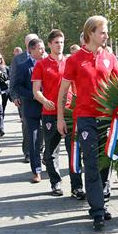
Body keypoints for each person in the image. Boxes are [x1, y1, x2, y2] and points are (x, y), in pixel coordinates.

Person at [57, 16, 118, 230]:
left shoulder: (110, 58)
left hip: (106, 118)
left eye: (106, 31)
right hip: (85, 118)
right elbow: (63, 91)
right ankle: (97, 211)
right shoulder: (75, 60)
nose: (106, 35)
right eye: (102, 32)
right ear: (90, 33)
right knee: (91, 163)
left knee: (105, 162)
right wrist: (59, 117)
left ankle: (101, 201)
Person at [32, 29, 84, 197]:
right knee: (51, 151)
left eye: (61, 42)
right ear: (49, 44)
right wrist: (44, 100)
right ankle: (55, 183)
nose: (59, 45)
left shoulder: (70, 62)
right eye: (56, 42)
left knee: (73, 150)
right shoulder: (41, 64)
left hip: (70, 112)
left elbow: (76, 86)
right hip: (50, 112)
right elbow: (36, 91)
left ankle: (77, 187)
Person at [13, 38, 46, 183]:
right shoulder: (23, 66)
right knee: (33, 140)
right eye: (39, 48)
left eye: (44, 47)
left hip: (48, 107)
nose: (43, 50)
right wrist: (33, 95)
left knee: (49, 139)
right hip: (31, 107)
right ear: (31, 50)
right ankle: (36, 171)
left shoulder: (48, 64)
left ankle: (50, 165)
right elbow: (17, 86)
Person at [9, 34, 40, 163]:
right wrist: (14, 96)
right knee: (27, 126)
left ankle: (40, 149)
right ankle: (28, 151)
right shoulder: (18, 59)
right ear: (27, 45)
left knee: (42, 127)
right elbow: (13, 79)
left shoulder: (42, 58)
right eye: (28, 43)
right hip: (25, 98)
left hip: (42, 98)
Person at [0, 51, 10, 137]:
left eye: (0, 58)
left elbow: (9, 78)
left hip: (5, 92)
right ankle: (0, 128)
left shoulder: (5, 68)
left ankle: (0, 126)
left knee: (2, 110)